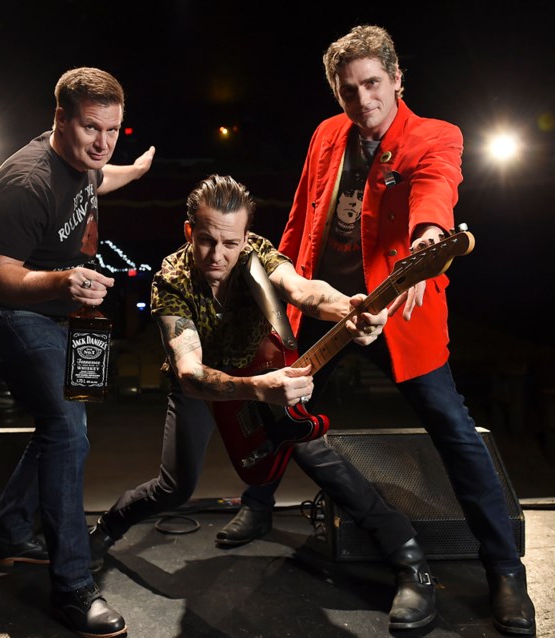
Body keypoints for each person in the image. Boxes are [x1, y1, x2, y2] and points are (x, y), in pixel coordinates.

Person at [214, 25, 536, 635]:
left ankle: (505, 572)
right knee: (285, 410)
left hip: (397, 312)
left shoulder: (435, 135)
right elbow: (299, 220)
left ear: (396, 79)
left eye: (372, 86)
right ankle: (258, 505)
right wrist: (275, 298)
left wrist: (428, 242)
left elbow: (437, 190)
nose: (362, 102)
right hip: (326, 308)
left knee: (454, 431)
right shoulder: (327, 134)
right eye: (348, 90)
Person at [89, 174, 439, 631]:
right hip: (203, 389)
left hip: (262, 376)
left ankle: (411, 562)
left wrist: (350, 307)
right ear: (188, 231)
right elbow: (191, 373)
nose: (219, 256)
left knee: (319, 457)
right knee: (175, 486)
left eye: (230, 243)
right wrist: (257, 389)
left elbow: (303, 290)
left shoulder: (257, 252)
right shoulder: (170, 278)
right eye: (207, 240)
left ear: (245, 236)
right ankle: (102, 532)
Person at [0, 66, 155, 638]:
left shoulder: (86, 164)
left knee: (67, 429)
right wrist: (62, 281)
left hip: (64, 312)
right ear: (60, 119)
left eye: (113, 130)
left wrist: (136, 167)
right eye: (91, 128)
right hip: (10, 313)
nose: (103, 143)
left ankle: (8, 533)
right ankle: (72, 589)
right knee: (68, 432)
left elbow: (102, 176)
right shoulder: (24, 182)